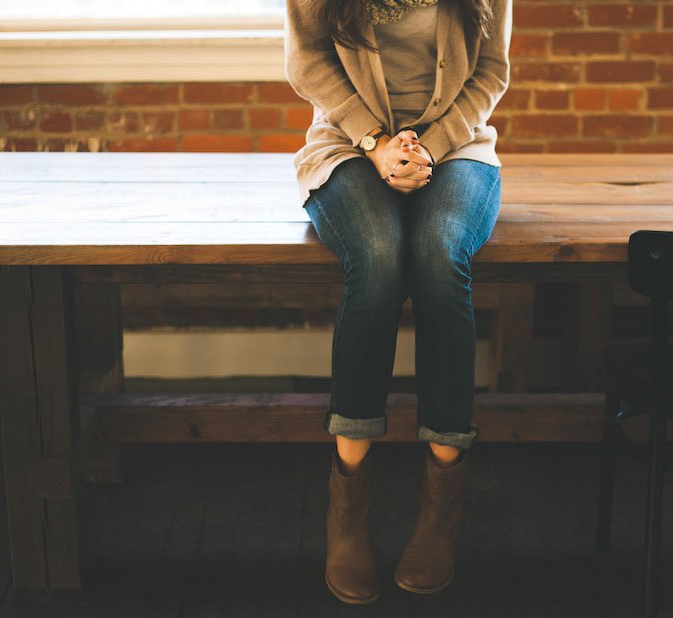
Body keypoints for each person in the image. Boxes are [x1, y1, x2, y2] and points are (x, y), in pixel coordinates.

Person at [284, 0, 511, 604]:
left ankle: (439, 510)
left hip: (459, 150)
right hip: (346, 146)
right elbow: (308, 61)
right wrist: (377, 143)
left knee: (440, 254)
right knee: (380, 257)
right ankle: (348, 512)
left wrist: (428, 147)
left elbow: (491, 72)